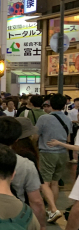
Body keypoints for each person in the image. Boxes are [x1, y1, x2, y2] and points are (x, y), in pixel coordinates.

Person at [36, 93, 71, 223]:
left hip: (47, 152)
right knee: (55, 182)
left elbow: (35, 135)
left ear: (51, 104)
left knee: (44, 182)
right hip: (63, 153)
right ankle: (52, 210)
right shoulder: (67, 119)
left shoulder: (44, 118)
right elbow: (68, 138)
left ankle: (53, 209)